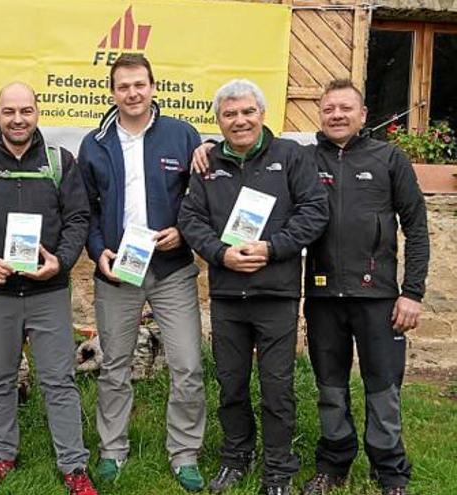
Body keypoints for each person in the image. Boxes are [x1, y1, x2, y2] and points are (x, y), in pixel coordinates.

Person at [179, 79, 329, 495]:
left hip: (276, 293)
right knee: (230, 383)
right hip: (227, 294)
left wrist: (273, 247)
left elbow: (315, 210)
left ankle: (278, 469)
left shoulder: (291, 156)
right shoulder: (207, 163)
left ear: (262, 115)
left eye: (247, 112)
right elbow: (190, 219)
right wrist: (219, 254)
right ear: (219, 121)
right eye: (230, 114)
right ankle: (235, 458)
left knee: (277, 386)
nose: (239, 121)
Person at [0, 82, 97, 495]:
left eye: (26, 111)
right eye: (9, 111)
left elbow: (78, 218)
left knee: (59, 380)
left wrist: (61, 262)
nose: (18, 119)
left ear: (37, 113)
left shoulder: (59, 162)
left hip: (48, 291)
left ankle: (73, 466)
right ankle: (1, 456)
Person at [77, 53, 207, 491]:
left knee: (188, 364)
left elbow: (203, 198)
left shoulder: (182, 135)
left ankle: (185, 453)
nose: (132, 93)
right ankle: (112, 451)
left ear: (154, 87)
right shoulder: (94, 143)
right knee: (114, 366)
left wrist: (185, 233)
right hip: (119, 272)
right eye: (123, 86)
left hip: (171, 269)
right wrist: (98, 253)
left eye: (140, 84)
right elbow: (86, 211)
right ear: (112, 92)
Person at [299, 80, 429, 495]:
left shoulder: (390, 158)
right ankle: (334, 463)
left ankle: (390, 471)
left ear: (363, 114)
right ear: (320, 115)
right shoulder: (304, 159)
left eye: (345, 108)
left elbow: (417, 229)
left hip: (380, 298)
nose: (336, 115)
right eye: (329, 109)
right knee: (329, 386)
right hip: (322, 296)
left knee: (384, 387)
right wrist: (205, 148)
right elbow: (256, 154)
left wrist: (412, 292)